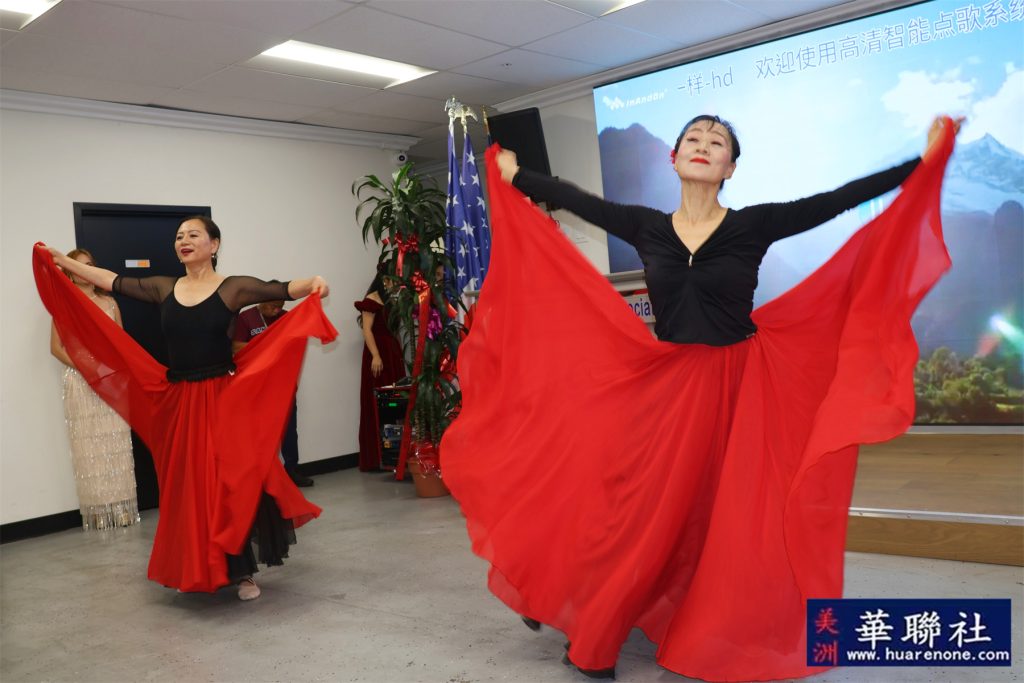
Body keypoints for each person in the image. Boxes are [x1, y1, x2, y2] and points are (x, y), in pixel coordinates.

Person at [440, 116, 960, 680]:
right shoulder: (646, 226)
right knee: (633, 513)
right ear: (674, 157)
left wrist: (921, 163)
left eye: (717, 144)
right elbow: (576, 200)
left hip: (739, 388)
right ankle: (579, 611)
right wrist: (515, 175)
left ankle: (698, 622)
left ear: (730, 168)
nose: (703, 147)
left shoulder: (754, 224)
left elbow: (838, 199)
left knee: (709, 518)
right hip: (667, 390)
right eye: (694, 139)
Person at [34, 215, 336, 601]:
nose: (184, 241)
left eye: (193, 234)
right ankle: (193, 566)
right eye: (179, 236)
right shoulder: (165, 287)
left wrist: (313, 283)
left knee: (226, 482)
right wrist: (63, 260)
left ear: (214, 244)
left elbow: (278, 288)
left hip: (222, 397)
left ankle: (242, 573)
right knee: (188, 486)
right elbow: (111, 280)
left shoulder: (232, 287)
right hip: (182, 399)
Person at [50, 248, 141, 531]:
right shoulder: (64, 306)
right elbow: (56, 348)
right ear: (69, 273)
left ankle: (123, 507)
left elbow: (122, 342)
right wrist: (86, 369)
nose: (85, 271)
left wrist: (111, 370)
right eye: (79, 266)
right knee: (89, 445)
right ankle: (100, 511)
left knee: (116, 442)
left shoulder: (110, 303)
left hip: (111, 380)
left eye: (89, 265)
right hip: (80, 381)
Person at [232, 300, 314, 488]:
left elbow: (294, 345)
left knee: (289, 429)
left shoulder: (285, 317)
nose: (276, 310)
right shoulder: (246, 317)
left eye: (279, 306)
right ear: (263, 301)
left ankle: (292, 470)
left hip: (282, 383)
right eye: (272, 306)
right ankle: (259, 475)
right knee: (257, 431)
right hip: (256, 385)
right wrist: (266, 345)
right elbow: (235, 347)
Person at [354, 273, 405, 471]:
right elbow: (367, 330)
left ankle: (396, 455)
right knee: (378, 404)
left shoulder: (392, 300)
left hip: (392, 354)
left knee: (396, 402)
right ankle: (376, 457)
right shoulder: (372, 300)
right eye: (394, 280)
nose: (397, 284)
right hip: (378, 355)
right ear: (384, 280)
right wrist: (376, 355)